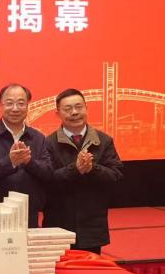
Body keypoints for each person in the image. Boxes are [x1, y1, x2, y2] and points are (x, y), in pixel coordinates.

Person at [43, 88, 123, 254]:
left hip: (92, 224)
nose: (74, 112)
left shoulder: (104, 141)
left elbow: (116, 176)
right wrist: (75, 169)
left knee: (91, 269)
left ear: (86, 108)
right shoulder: (48, 143)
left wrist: (93, 168)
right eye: (68, 109)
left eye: (79, 107)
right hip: (59, 224)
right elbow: (46, 180)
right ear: (58, 114)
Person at [0, 83, 52, 227]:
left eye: (21, 103)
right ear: (1, 105)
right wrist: (10, 162)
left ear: (27, 106)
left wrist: (29, 162)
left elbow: (48, 173)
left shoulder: (38, 137)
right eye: (9, 103)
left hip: (29, 214)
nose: (15, 109)